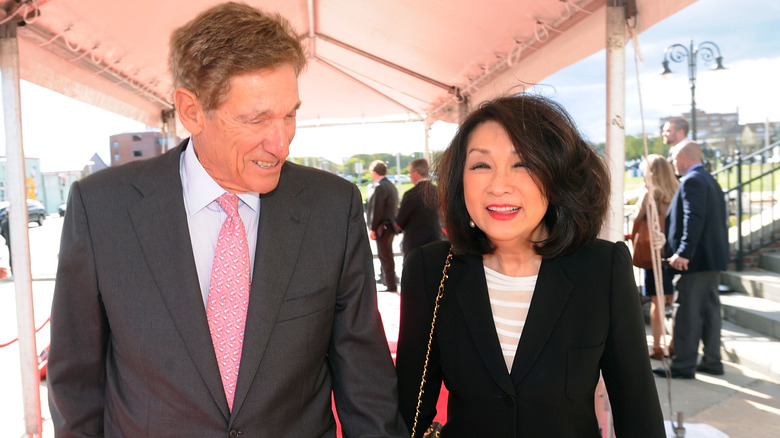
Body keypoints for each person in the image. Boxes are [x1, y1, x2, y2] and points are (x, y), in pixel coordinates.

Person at [47, 3, 407, 436]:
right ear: (192, 111)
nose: (281, 143)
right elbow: (77, 382)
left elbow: (364, 375)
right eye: (256, 118)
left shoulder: (332, 207)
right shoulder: (102, 207)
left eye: (290, 114)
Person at [396, 94, 665, 436]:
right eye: (481, 165)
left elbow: (638, 414)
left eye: (522, 164)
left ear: (557, 175)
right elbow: (409, 411)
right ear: (459, 180)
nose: (499, 185)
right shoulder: (431, 269)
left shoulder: (602, 268)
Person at [653, 141, 729, 379]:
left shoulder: (693, 181)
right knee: (710, 312)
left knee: (686, 313)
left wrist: (684, 252)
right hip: (710, 259)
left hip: (694, 261)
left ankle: (683, 365)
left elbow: (693, 218)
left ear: (684, 157)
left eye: (674, 158)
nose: (673, 163)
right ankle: (712, 361)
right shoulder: (709, 179)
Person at [633, 154, 678, 360]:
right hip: (672, 252)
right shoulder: (677, 191)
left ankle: (658, 347)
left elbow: (636, 217)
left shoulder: (650, 193)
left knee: (656, 302)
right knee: (673, 301)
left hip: (654, 254)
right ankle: (675, 343)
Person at [395, 158, 444, 260]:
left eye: (410, 173)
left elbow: (399, 223)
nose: (410, 176)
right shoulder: (439, 191)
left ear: (416, 173)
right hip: (437, 241)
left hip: (415, 246)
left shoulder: (411, 194)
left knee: (414, 275)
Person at [367, 160, 400, 292]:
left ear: (374, 173)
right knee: (387, 255)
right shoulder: (391, 185)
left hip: (383, 227)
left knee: (385, 256)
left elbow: (377, 210)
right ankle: (386, 279)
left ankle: (390, 284)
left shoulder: (380, 187)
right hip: (390, 226)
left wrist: (373, 228)